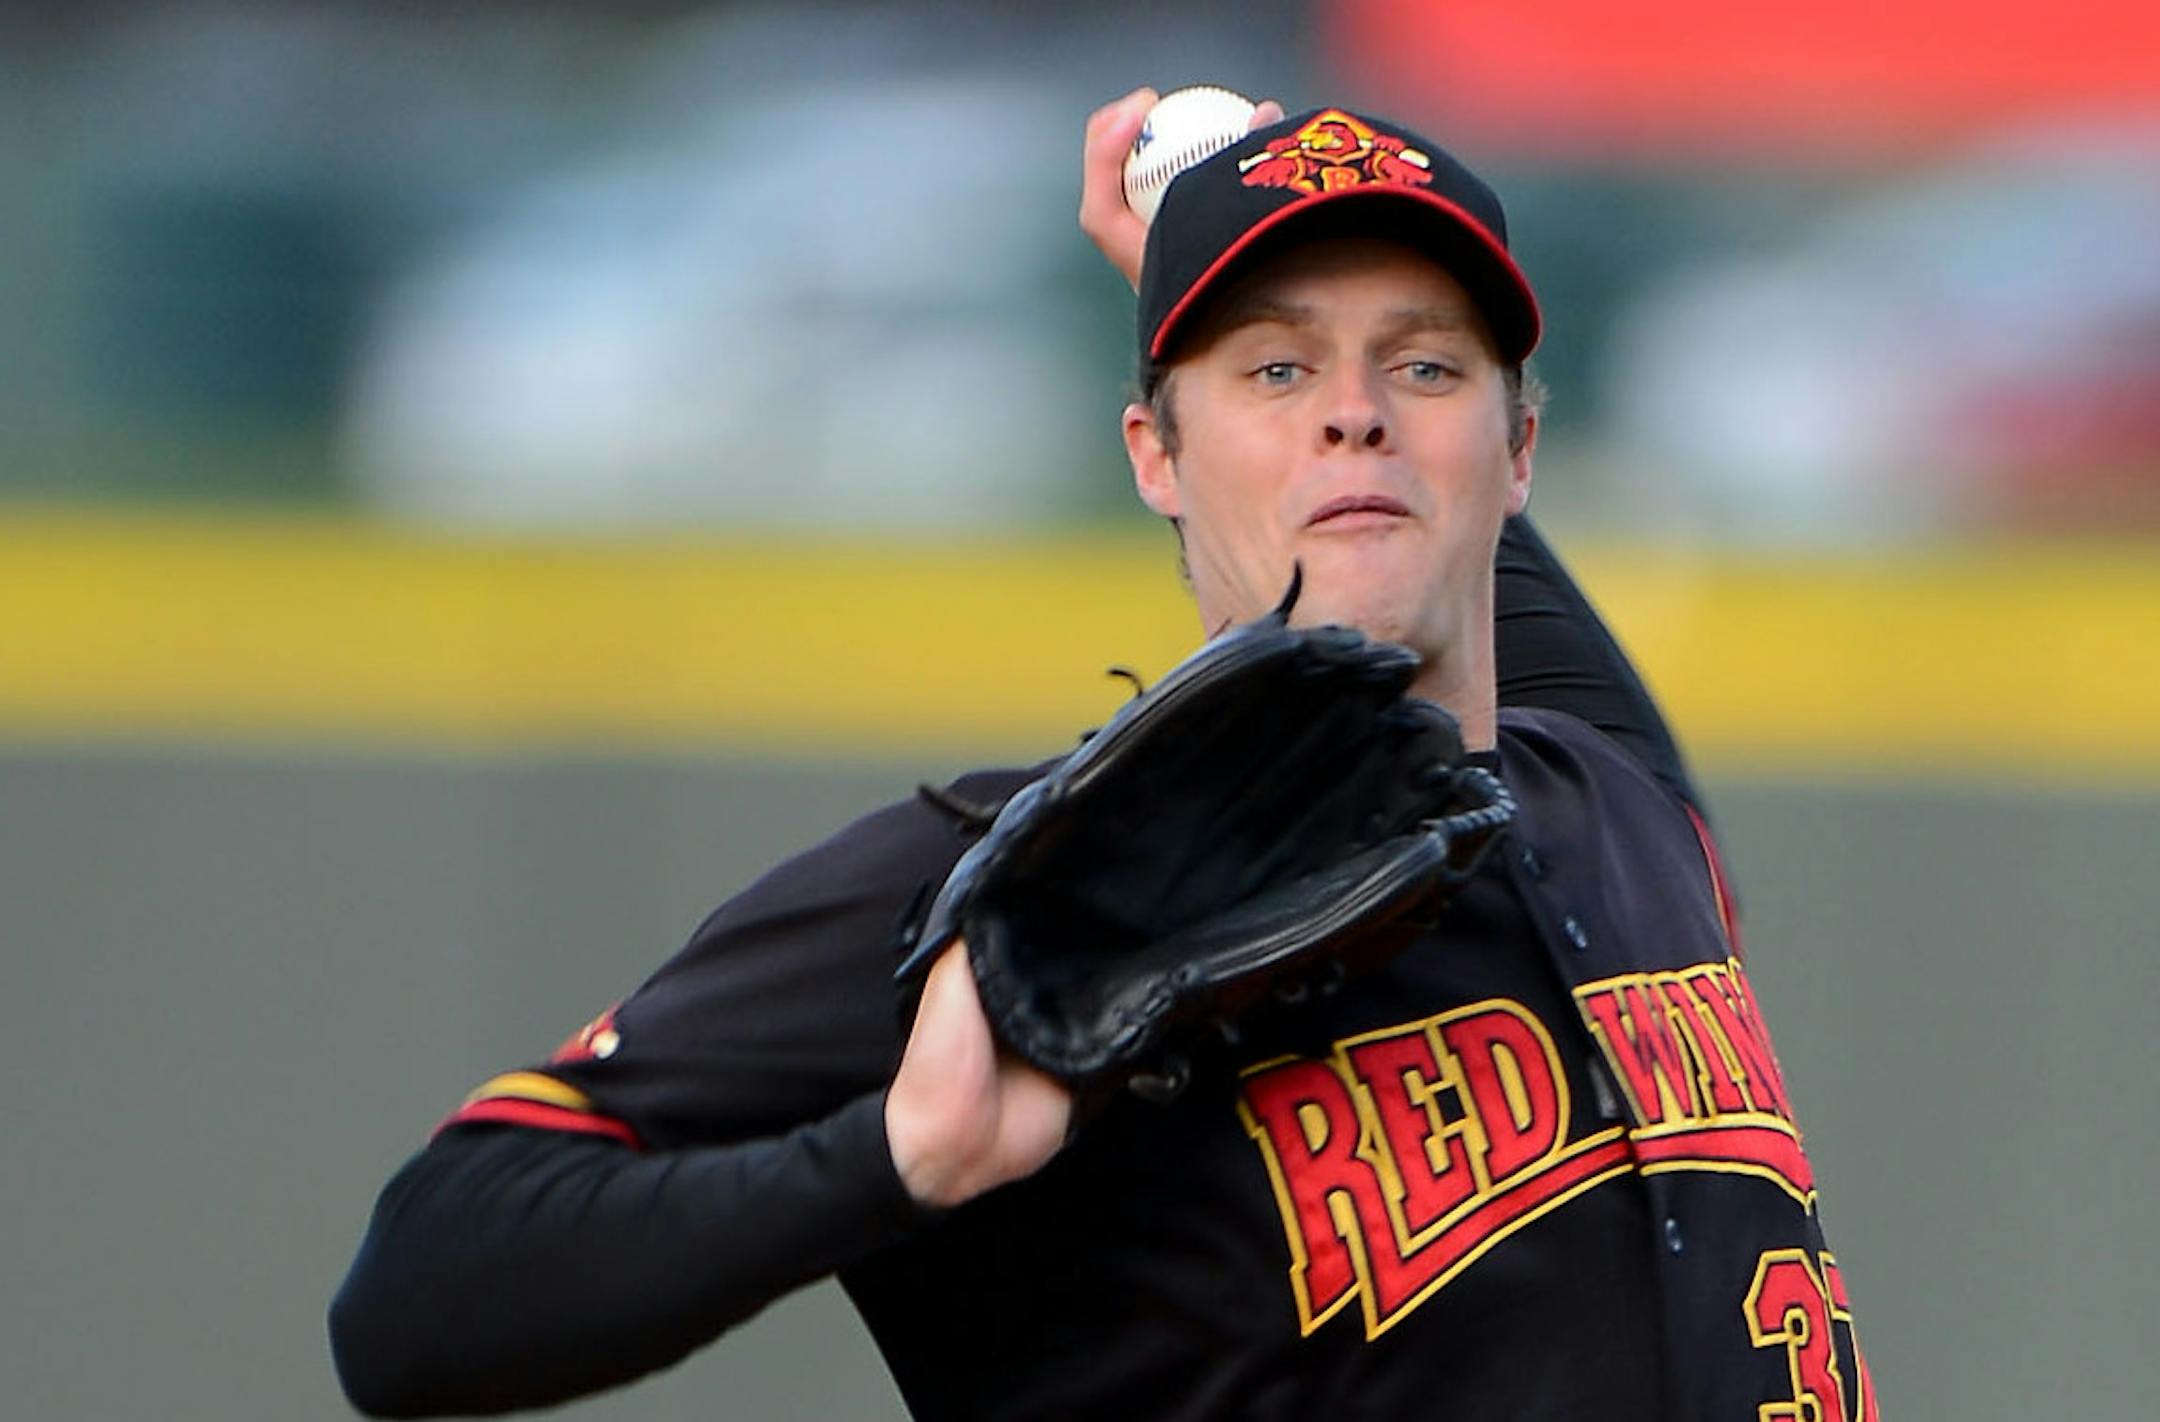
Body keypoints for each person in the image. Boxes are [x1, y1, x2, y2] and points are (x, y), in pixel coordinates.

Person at [330, 94, 1876, 1421]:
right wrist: (893, 1156)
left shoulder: (1615, 799)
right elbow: (418, 1293)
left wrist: (1222, 255)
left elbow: (1446, 568)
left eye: (1423, 365)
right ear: (1153, 451)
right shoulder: (1033, 896)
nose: (1355, 416)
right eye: (1273, 373)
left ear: (1520, 443)